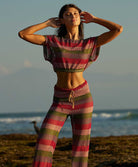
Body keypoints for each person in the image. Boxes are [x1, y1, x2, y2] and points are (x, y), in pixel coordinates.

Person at [18, 4, 123, 167]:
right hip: (60, 99)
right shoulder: (53, 42)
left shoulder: (89, 44)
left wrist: (94, 20)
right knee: (43, 145)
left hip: (83, 98)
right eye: (68, 14)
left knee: (81, 149)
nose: (73, 16)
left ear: (80, 19)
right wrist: (46, 23)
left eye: (75, 13)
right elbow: (23, 34)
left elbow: (118, 29)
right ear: (61, 20)